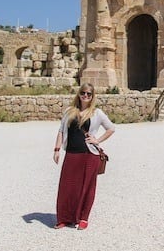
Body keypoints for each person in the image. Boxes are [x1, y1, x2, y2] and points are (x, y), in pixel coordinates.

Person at [52, 83, 115, 230]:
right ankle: (64, 218)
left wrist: (97, 140)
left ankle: (83, 218)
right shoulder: (69, 111)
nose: (85, 96)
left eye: (89, 94)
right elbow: (61, 131)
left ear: (92, 97)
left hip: (89, 155)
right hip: (72, 154)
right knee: (66, 187)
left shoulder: (97, 113)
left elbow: (111, 128)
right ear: (79, 94)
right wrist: (56, 150)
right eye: (83, 93)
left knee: (87, 187)